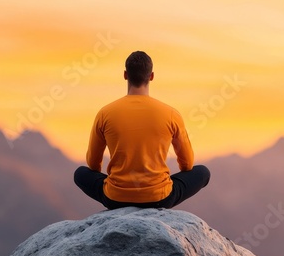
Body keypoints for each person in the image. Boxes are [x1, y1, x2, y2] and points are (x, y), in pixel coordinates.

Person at [74, 51, 210, 209]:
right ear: (151, 76)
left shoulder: (105, 113)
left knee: (80, 173)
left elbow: (93, 165)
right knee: (202, 172)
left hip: (115, 199)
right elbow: (187, 165)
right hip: (159, 198)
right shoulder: (171, 114)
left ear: (125, 75)